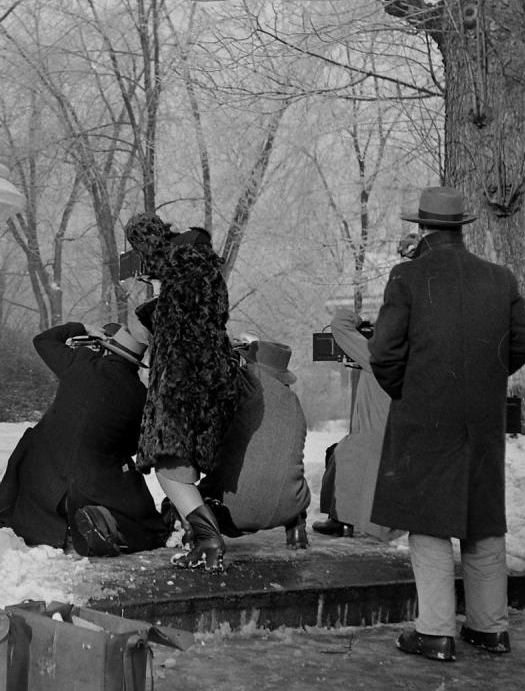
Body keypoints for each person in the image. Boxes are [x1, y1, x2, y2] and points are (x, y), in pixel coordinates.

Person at [369, 186, 525, 663]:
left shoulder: (406, 277)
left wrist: (408, 389)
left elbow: (384, 353)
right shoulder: (499, 278)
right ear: (460, 228)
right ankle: (490, 628)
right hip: (481, 419)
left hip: (425, 418)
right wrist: (486, 376)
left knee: (429, 521)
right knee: (483, 519)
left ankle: (435, 632)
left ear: (422, 229)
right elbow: (524, 340)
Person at [0, 321, 169, 557]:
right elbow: (134, 446)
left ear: (105, 349)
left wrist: (82, 328)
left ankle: (51, 519)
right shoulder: (139, 395)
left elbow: (42, 340)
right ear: (134, 363)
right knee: (143, 517)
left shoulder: (80, 363)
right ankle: (111, 524)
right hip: (94, 482)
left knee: (38, 439)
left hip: (42, 474)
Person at [124, 213, 241, 573]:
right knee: (181, 467)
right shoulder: (201, 269)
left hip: (183, 382)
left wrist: (141, 306)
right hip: (213, 378)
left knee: (170, 468)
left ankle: (209, 540)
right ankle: (202, 540)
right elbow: (197, 319)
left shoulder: (178, 273)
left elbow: (176, 334)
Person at [197, 340, 311, 550]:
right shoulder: (294, 403)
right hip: (289, 506)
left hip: (233, 514)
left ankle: (193, 535)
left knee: (186, 497)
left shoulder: (244, 388)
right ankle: (296, 530)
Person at [312, 308, 402, 542]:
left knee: (337, 455)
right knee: (340, 452)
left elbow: (340, 323)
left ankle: (339, 520)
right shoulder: (410, 357)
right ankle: (344, 519)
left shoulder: (375, 357)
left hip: (370, 439)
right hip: (396, 440)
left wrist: (360, 320)